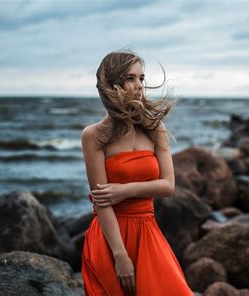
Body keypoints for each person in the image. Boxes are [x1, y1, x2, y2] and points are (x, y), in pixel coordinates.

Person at [80, 49, 194, 295]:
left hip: (147, 231)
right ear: (112, 84)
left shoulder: (154, 127)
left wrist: (125, 190)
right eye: (130, 78)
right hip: (110, 239)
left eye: (141, 78)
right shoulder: (94, 135)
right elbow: (101, 202)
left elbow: (168, 186)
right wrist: (120, 255)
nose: (140, 85)